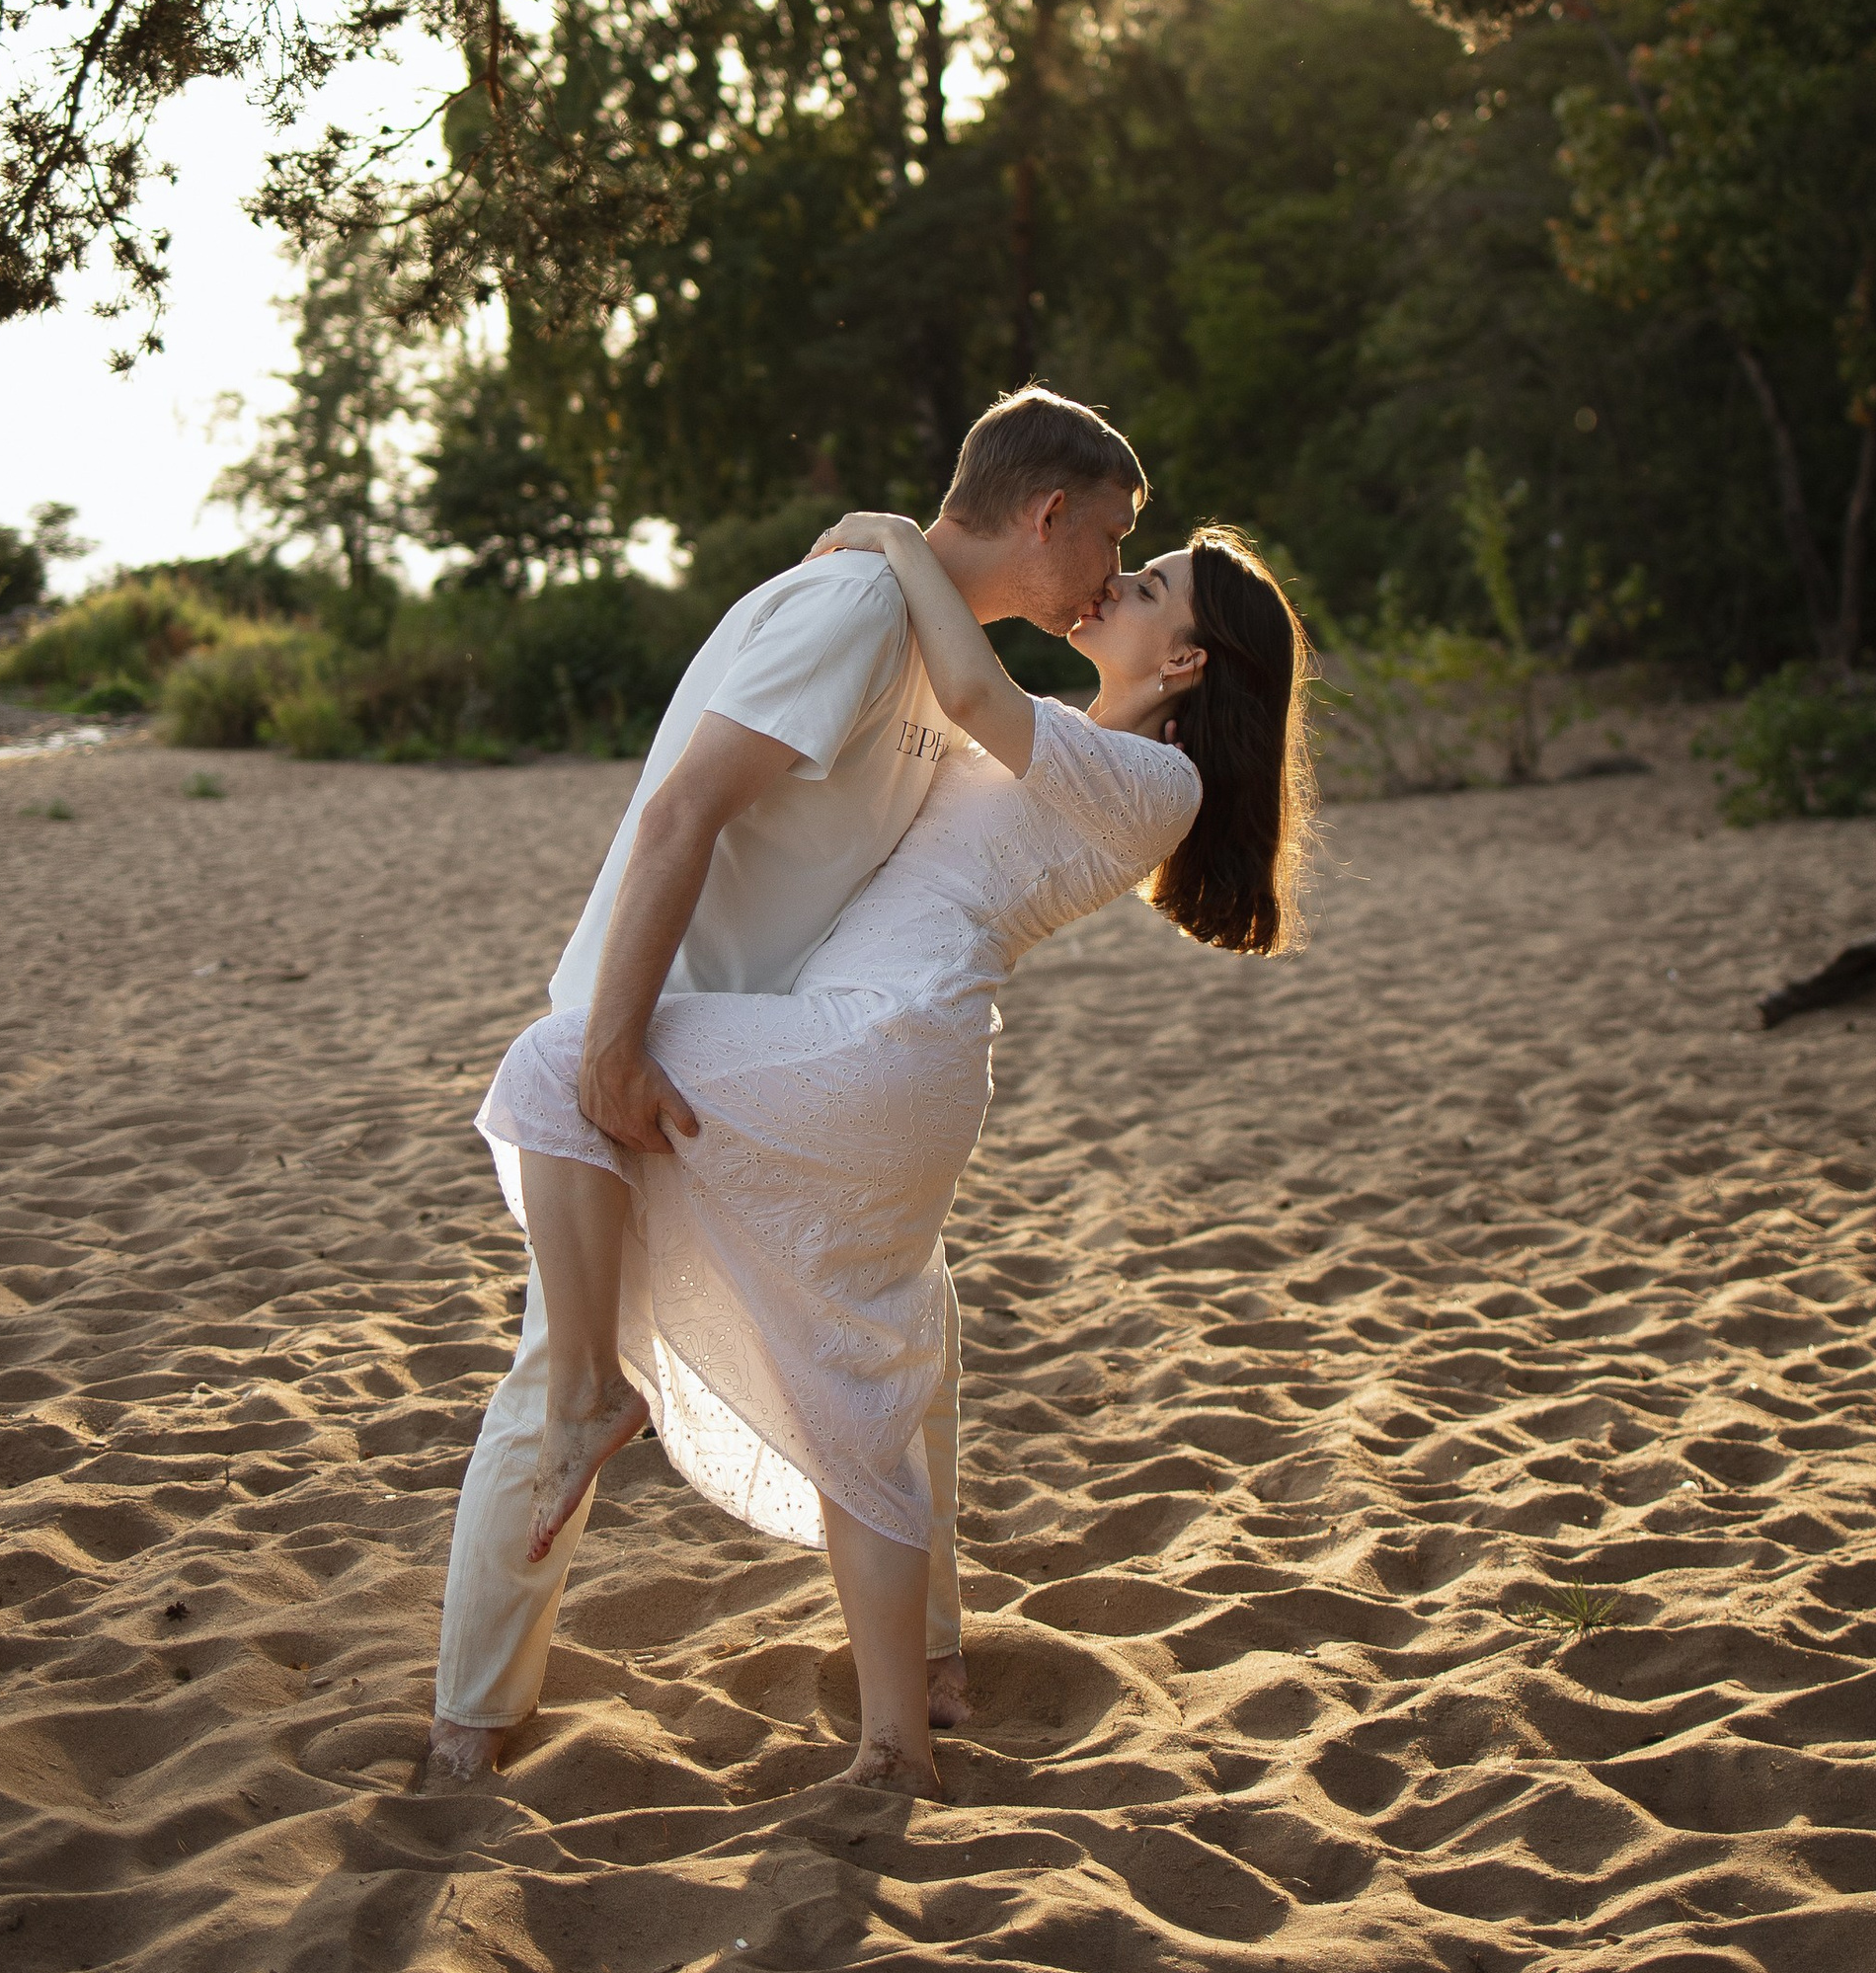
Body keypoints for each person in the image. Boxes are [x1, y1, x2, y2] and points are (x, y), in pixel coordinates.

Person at [435, 509, 1313, 1800]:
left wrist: (894, 537)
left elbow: (963, 678)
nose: (1113, 587)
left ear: (1186, 664)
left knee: (556, 1071)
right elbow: (914, 723)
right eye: (1122, 563)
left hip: (882, 1042)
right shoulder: (1076, 747)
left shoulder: (1152, 783)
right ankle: (901, 1737)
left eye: (1144, 585)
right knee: (861, 1380)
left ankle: (582, 1394)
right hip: (882, 1054)